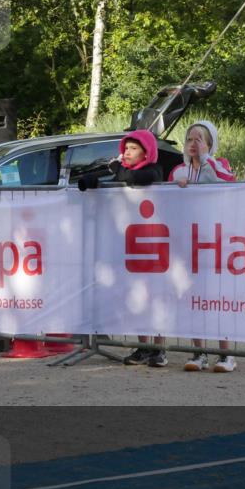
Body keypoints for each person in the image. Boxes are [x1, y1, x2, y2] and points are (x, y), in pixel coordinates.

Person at [78, 128, 167, 366]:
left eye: (133, 149)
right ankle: (143, 346)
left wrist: (116, 169)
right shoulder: (123, 170)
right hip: (129, 243)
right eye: (126, 148)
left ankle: (159, 348)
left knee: (154, 297)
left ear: (146, 152)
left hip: (153, 242)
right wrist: (91, 181)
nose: (127, 153)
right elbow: (112, 179)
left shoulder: (153, 170)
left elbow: (134, 179)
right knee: (136, 297)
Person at [169, 120, 238, 373]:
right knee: (193, 298)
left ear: (209, 144)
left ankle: (226, 354)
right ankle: (198, 352)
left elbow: (228, 182)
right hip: (187, 243)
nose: (193, 143)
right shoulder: (178, 171)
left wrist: (207, 161)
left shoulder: (218, 166)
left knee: (218, 298)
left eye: (199, 139)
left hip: (215, 242)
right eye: (189, 139)